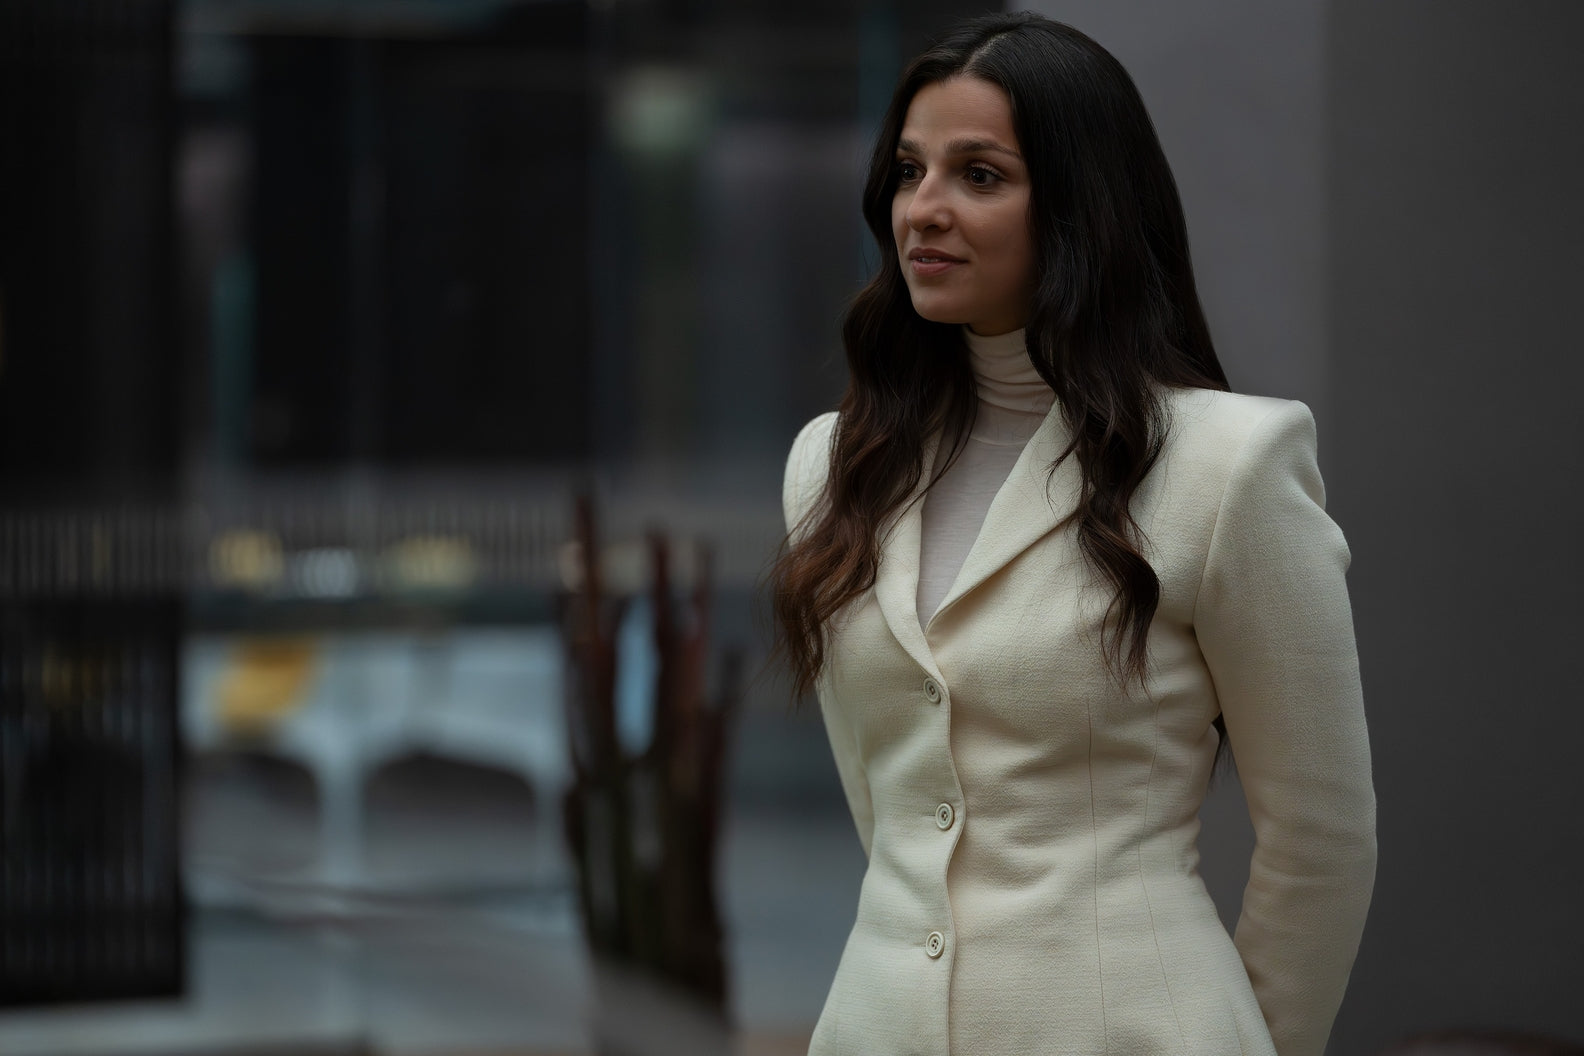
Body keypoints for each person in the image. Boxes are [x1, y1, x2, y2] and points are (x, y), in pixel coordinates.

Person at [771, 13, 1376, 1056]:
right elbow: (897, 816)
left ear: (1083, 204)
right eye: (911, 171)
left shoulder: (1229, 465)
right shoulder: (832, 469)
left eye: (980, 175)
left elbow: (1321, 839)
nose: (926, 209)